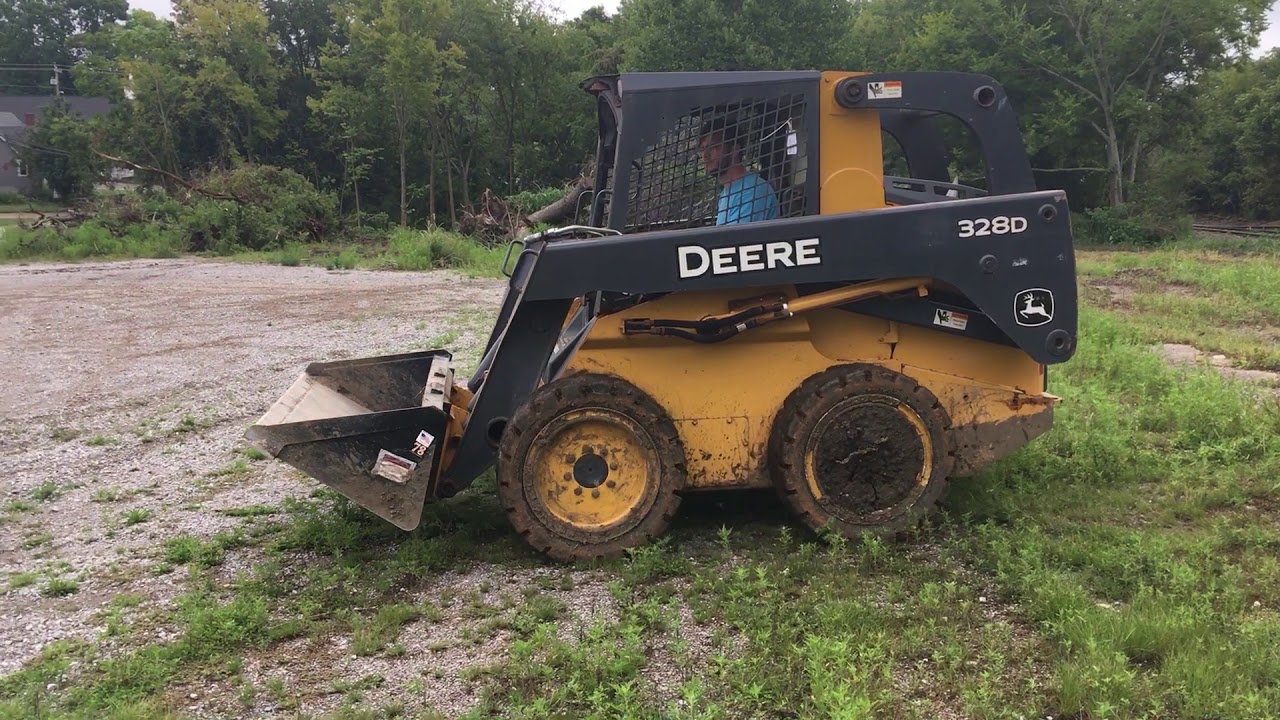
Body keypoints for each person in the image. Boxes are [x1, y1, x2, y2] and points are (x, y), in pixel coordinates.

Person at [698, 115, 780, 225]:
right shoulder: (728, 192)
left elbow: (733, 240)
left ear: (735, 149)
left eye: (712, 147)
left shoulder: (753, 191)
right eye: (702, 149)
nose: (705, 155)